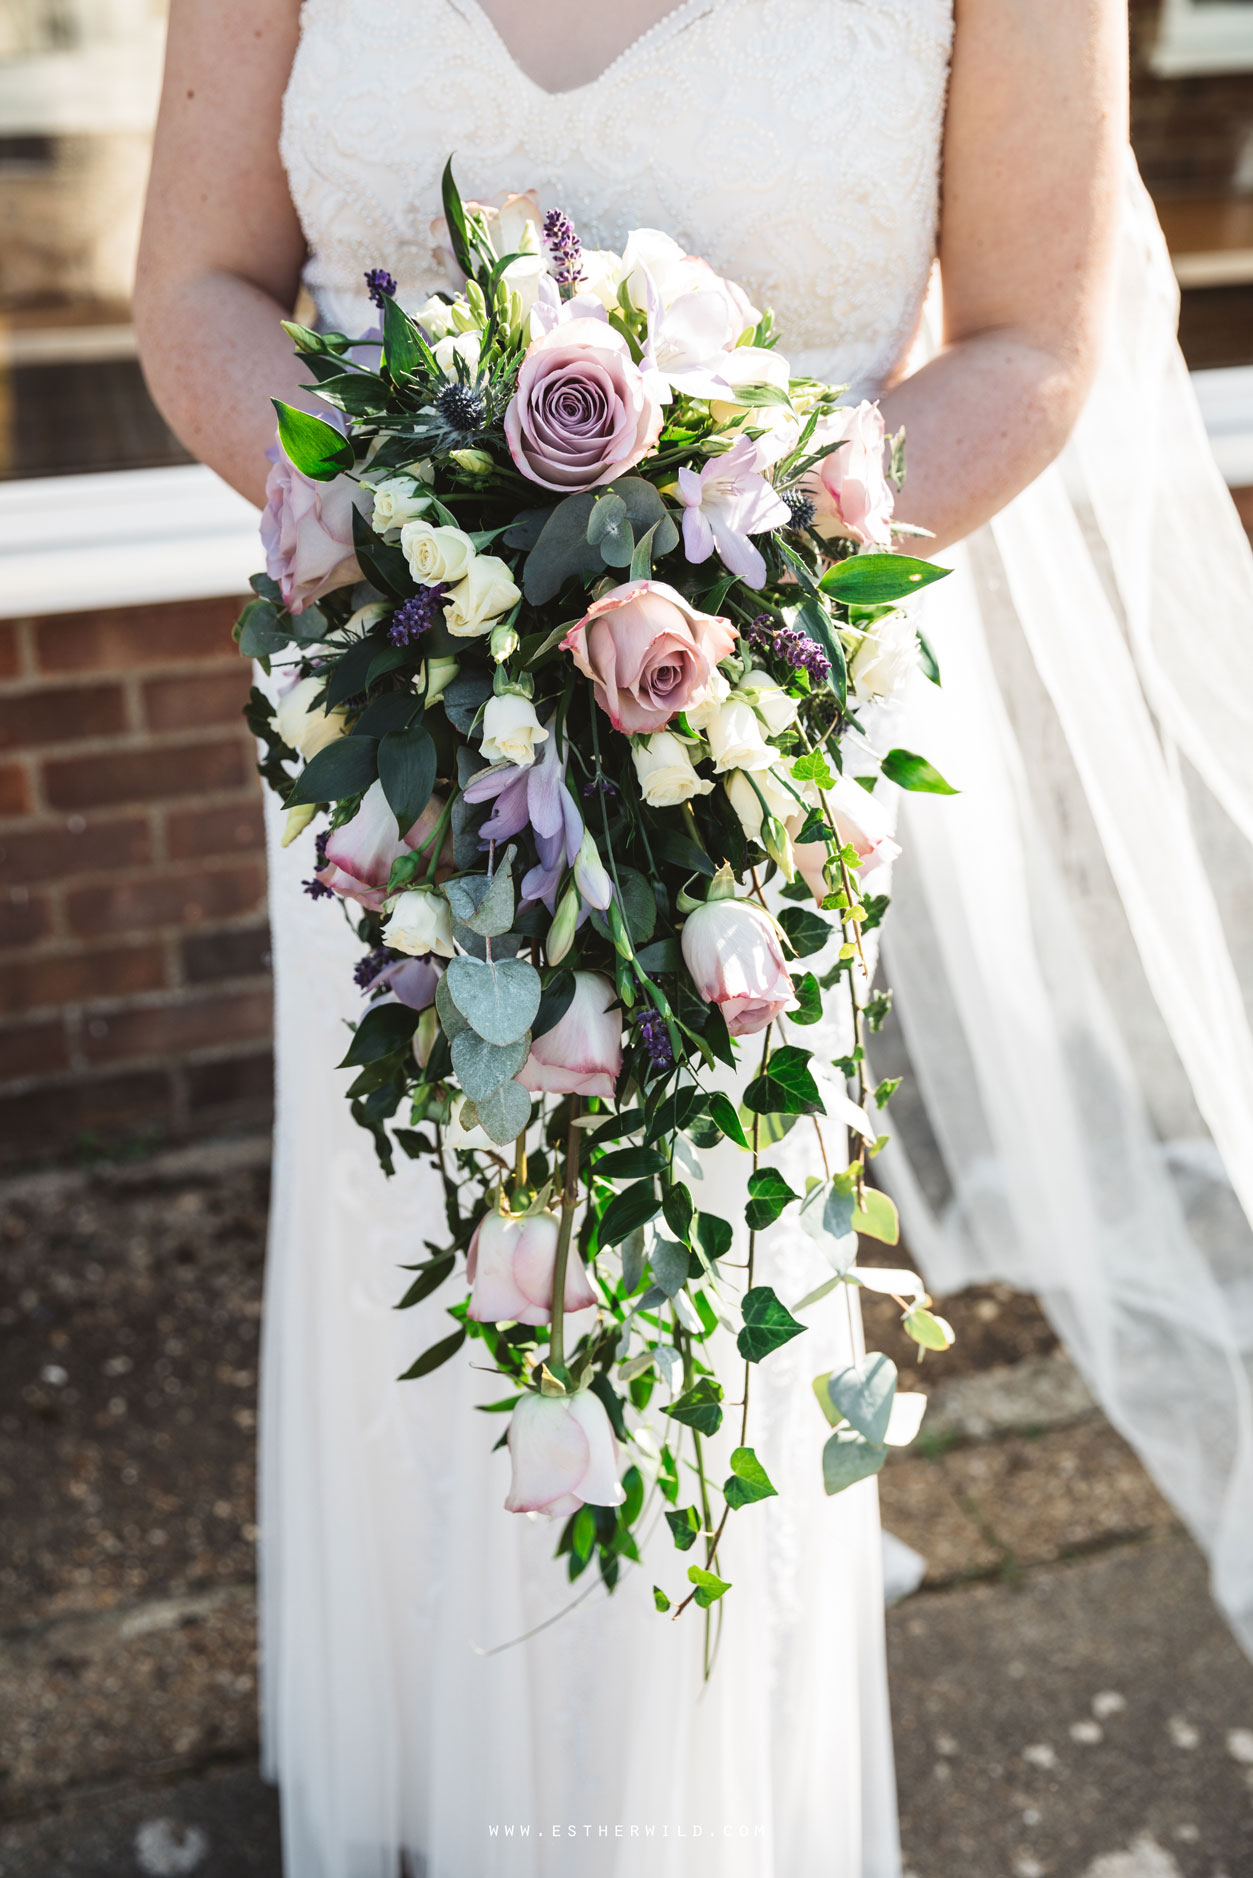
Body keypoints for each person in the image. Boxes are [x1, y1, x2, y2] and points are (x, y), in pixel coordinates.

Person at [134, 2, 1253, 1874]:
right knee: (403, 1215)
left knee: (692, 1276)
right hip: (401, 734)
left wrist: (719, 577)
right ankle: (429, 1768)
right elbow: (196, 285)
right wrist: (428, 553)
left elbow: (1034, 344)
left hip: (745, 723)